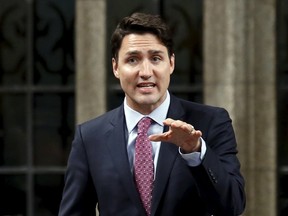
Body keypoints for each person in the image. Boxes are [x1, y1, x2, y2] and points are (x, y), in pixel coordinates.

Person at [58, 12, 246, 216]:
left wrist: (196, 151)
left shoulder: (211, 122)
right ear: (115, 67)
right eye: (132, 60)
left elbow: (232, 206)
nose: (146, 71)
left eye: (156, 58)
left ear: (171, 63)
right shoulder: (90, 137)